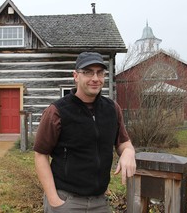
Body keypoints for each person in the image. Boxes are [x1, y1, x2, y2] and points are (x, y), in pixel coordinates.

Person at [34, 52, 136, 213]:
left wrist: (129, 152)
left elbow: (123, 142)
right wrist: (54, 200)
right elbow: (40, 154)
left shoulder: (112, 109)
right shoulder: (57, 111)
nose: (95, 78)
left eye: (100, 72)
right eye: (88, 72)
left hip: (100, 202)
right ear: (76, 76)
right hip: (66, 201)